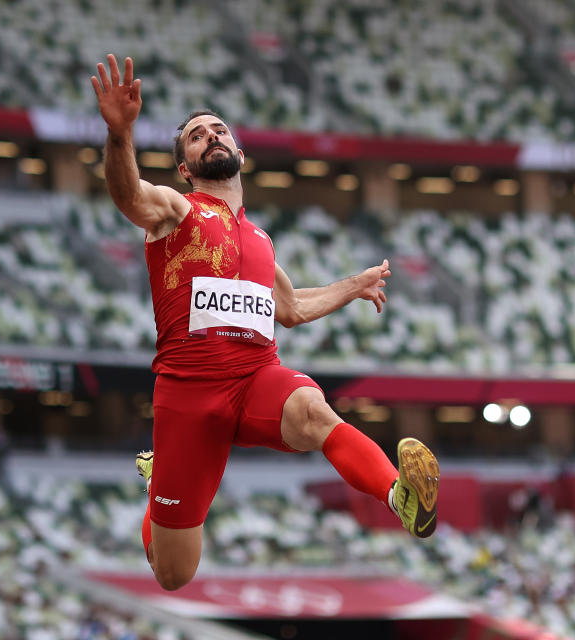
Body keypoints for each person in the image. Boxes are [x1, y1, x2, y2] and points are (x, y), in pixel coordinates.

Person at [90, 54, 440, 591]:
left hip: (256, 379)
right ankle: (160, 477)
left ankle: (402, 499)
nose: (210, 137)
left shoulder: (259, 241)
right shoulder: (176, 211)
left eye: (219, 130)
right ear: (185, 167)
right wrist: (120, 135)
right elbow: (128, 194)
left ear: (239, 152)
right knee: (174, 574)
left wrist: (354, 286)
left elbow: (291, 307)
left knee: (314, 410)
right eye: (196, 137)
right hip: (189, 396)